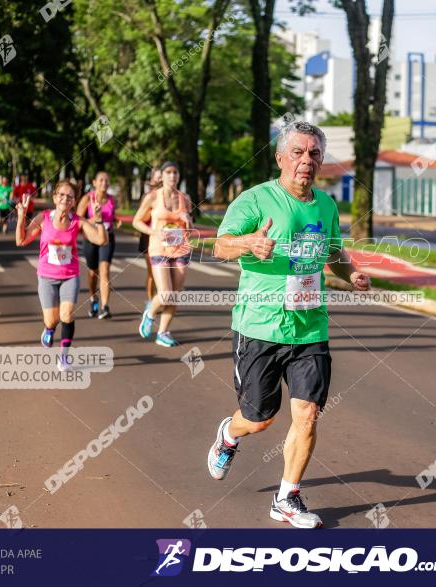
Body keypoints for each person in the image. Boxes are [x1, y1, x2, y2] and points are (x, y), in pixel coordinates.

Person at [205, 121, 370, 529]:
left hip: (310, 328)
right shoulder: (255, 200)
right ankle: (230, 434)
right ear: (280, 157)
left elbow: (333, 252)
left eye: (314, 153)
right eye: (297, 152)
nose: (306, 161)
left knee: (308, 414)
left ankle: (287, 497)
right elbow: (219, 245)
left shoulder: (327, 206)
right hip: (259, 326)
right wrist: (249, 243)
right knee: (260, 418)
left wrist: (351, 274)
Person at [15, 181, 107, 371]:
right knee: (52, 320)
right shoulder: (44, 217)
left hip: (69, 275)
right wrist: (21, 217)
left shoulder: (77, 221)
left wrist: (98, 218)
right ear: (55, 197)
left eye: (70, 196)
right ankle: (49, 329)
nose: (65, 199)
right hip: (47, 276)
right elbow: (21, 240)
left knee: (67, 314)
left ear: (74, 201)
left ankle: (64, 357)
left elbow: (100, 239)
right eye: (62, 195)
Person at [136, 162, 193, 347]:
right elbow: (137, 221)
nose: (172, 175)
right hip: (159, 249)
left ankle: (163, 332)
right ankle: (150, 313)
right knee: (166, 293)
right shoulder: (153, 197)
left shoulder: (185, 198)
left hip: (181, 249)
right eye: (168, 172)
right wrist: (154, 232)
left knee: (175, 295)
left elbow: (190, 231)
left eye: (175, 172)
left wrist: (188, 220)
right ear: (162, 175)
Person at [77, 171, 119, 319]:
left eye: (107, 181)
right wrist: (95, 219)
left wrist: (115, 220)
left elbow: (111, 215)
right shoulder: (87, 199)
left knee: (105, 270)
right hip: (91, 239)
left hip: (107, 238)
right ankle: (93, 298)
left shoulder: (112, 199)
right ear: (94, 182)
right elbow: (78, 219)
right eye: (101, 180)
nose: (104, 183)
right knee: (92, 272)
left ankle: (105, 307)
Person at [133, 168, 162, 302]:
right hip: (149, 238)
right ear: (152, 180)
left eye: (162, 176)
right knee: (152, 273)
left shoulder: (173, 196)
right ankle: (151, 301)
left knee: (165, 272)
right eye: (157, 177)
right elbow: (140, 219)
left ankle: (160, 299)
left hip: (167, 240)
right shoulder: (149, 197)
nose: (160, 180)